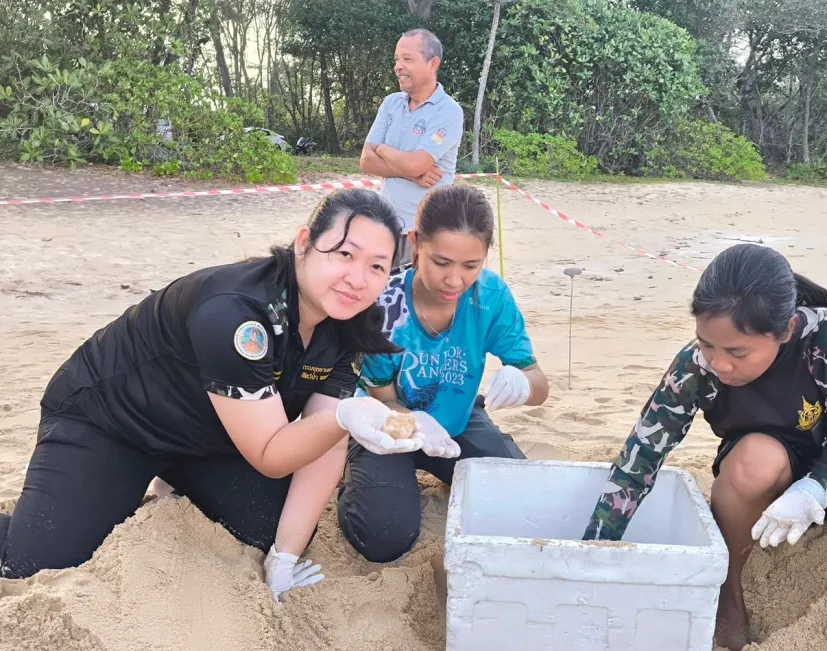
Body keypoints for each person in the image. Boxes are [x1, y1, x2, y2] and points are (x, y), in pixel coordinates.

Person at [0, 188, 427, 599]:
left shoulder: (348, 324)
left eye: (377, 267)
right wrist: (344, 417)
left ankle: (174, 478)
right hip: (112, 420)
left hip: (208, 437)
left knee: (274, 530)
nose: (358, 279)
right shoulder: (237, 313)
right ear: (304, 243)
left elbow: (325, 444)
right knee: (37, 562)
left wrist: (284, 558)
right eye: (345, 254)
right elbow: (272, 453)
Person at [582, 244, 827, 651]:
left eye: (737, 352)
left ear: (786, 330)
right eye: (707, 344)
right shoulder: (695, 366)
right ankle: (727, 595)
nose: (719, 363)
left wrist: (815, 488)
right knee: (756, 460)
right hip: (771, 468)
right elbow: (638, 461)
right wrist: (592, 552)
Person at [337, 184, 549, 562]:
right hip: (388, 424)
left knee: (522, 498)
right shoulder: (384, 306)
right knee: (384, 538)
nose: (455, 281)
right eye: (441, 262)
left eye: (471, 265)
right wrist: (414, 422)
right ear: (415, 243)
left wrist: (522, 383)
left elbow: (538, 383)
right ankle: (353, 478)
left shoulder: (490, 297)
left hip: (457, 420)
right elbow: (382, 399)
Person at [360, 28, 465, 266]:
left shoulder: (448, 111)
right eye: (397, 59)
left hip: (424, 233)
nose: (398, 66)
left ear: (433, 64)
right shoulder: (391, 104)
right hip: (385, 227)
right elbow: (366, 161)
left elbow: (417, 164)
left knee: (414, 289)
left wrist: (383, 149)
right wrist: (409, 173)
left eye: (407, 59)